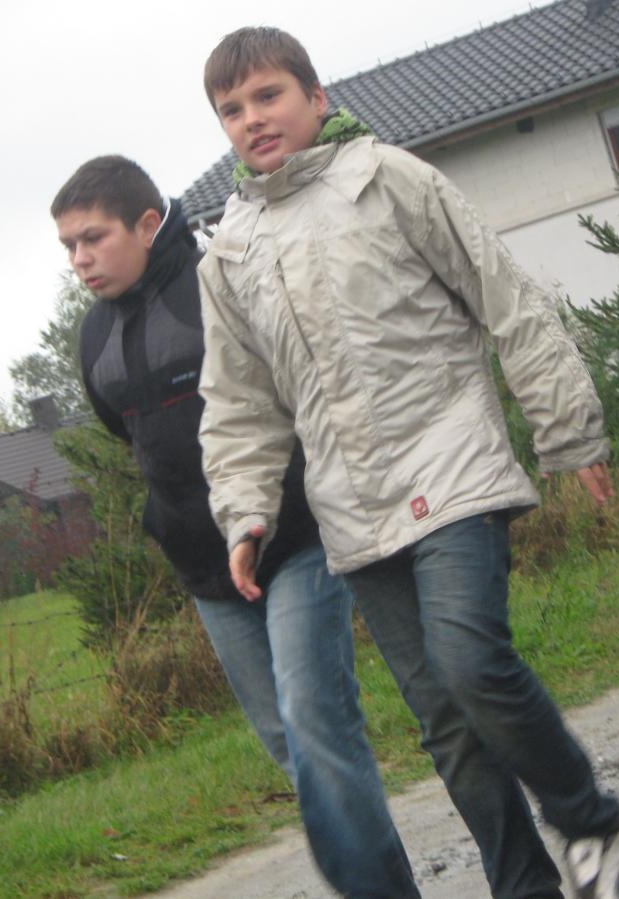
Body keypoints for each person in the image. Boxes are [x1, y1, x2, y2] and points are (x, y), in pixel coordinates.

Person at [197, 26, 619, 899]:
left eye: (269, 95)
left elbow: (505, 297)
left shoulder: (389, 179)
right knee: (446, 724)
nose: (253, 118)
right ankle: (526, 886)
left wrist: (567, 428)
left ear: (316, 98)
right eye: (232, 109)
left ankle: (591, 819)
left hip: (453, 463)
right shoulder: (230, 254)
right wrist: (245, 512)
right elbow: (240, 404)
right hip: (352, 511)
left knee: (471, 664)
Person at [50, 155, 420, 898]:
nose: (80, 259)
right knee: (288, 743)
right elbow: (133, 439)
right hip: (206, 570)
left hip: (296, 539)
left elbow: (297, 388)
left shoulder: (218, 282)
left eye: (93, 238)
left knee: (315, 723)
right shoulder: (92, 339)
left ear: (147, 225)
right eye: (68, 246)